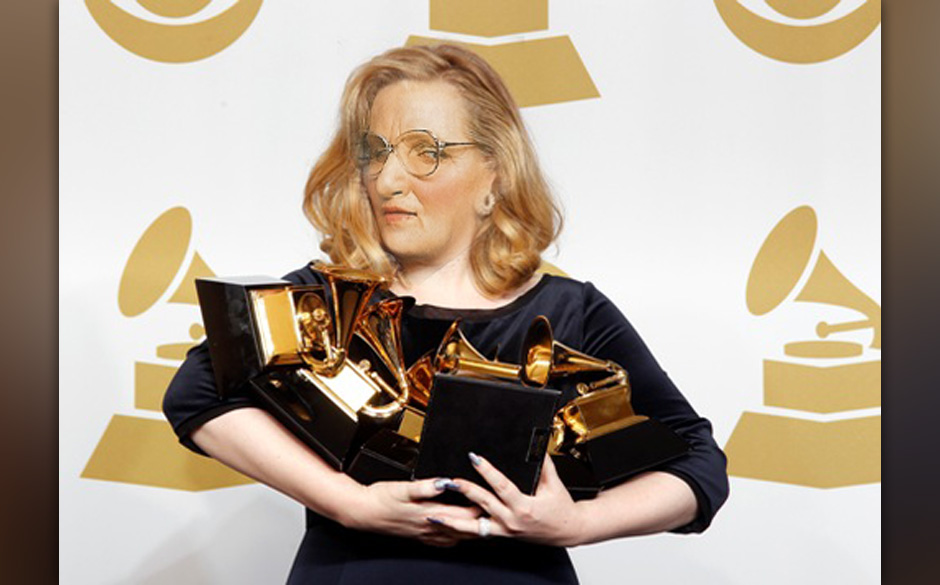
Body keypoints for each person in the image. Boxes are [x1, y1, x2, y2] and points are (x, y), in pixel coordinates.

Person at [163, 44, 729, 584]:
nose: (388, 181)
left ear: (495, 174)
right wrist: (350, 503)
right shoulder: (327, 301)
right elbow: (197, 393)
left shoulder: (568, 311)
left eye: (426, 153)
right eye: (376, 152)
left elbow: (698, 464)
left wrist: (577, 523)